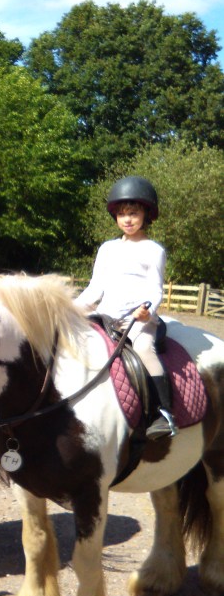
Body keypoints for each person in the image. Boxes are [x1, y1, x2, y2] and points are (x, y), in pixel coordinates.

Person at [75, 176, 177, 440]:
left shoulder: (153, 250)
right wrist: (70, 308)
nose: (128, 219)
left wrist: (147, 310)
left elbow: (156, 289)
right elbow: (94, 289)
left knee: (144, 348)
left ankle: (164, 413)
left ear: (146, 215)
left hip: (138, 319)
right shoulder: (107, 249)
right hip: (106, 316)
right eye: (122, 215)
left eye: (133, 213)